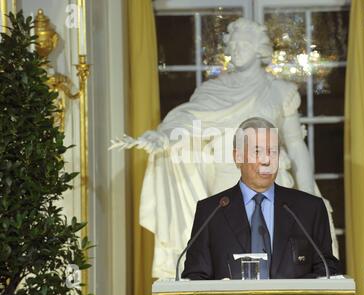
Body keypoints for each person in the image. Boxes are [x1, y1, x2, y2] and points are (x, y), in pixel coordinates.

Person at [111, 18, 338, 278]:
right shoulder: (211, 91)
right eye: (234, 43)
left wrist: (308, 193)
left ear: (259, 49)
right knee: (222, 253)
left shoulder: (279, 91)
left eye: (245, 44)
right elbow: (187, 121)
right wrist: (163, 137)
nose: (238, 49)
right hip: (221, 179)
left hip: (279, 185)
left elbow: (296, 145)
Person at [182, 118, 339, 280]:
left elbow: (327, 270)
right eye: (257, 152)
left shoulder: (309, 209)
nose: (266, 161)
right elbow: (195, 276)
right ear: (238, 157)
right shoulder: (210, 212)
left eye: (273, 152)